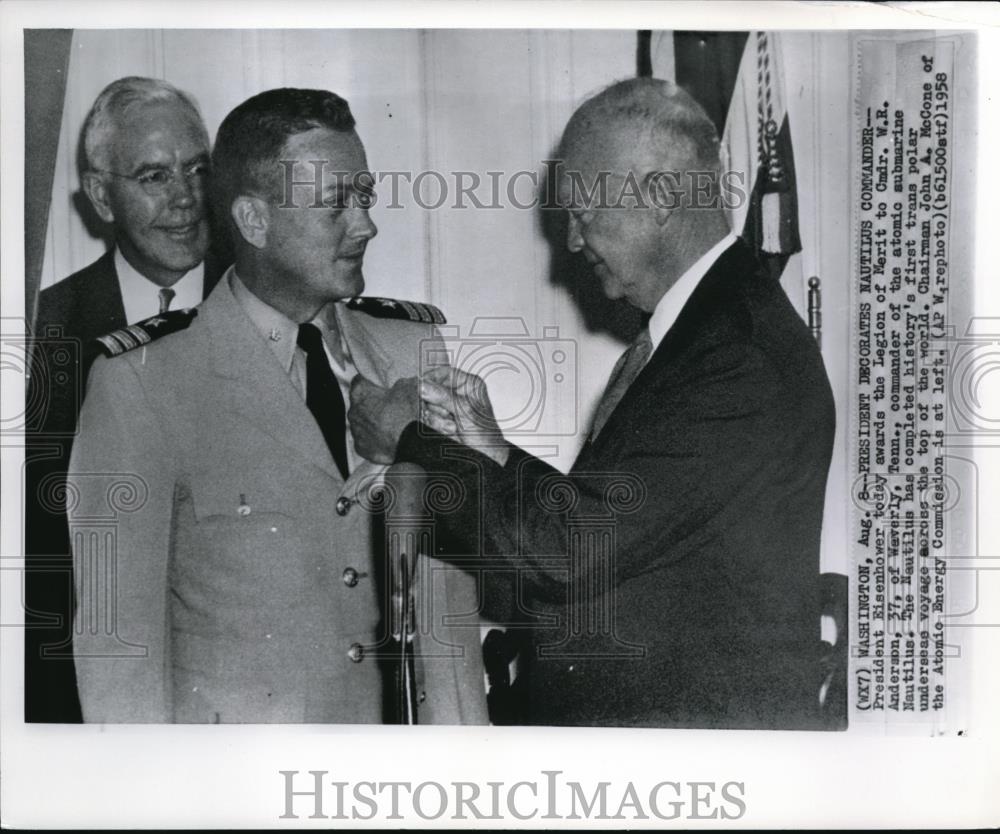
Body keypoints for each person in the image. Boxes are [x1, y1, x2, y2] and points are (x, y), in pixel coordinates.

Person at [349, 77, 837, 729]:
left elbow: (573, 550)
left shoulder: (735, 356)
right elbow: (612, 520)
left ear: (661, 196)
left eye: (583, 213)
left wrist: (409, 440)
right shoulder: (705, 330)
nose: (574, 243)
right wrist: (493, 451)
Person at [67, 87, 487, 724]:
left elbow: (447, 627)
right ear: (254, 221)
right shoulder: (143, 384)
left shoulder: (413, 351)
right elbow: (117, 655)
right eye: (333, 206)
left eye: (364, 197)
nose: (365, 224)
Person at [25, 76, 221, 722]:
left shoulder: (277, 306)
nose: (187, 199)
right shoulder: (40, 335)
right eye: (154, 177)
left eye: (197, 169)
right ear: (102, 198)